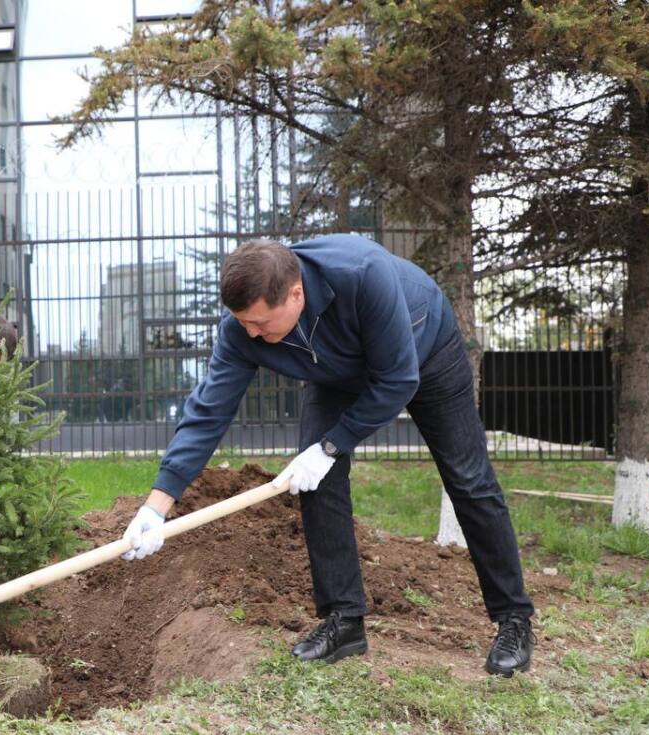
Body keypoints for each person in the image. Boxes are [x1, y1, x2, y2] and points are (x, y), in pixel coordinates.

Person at [119, 236, 536, 676]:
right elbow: (208, 413)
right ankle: (344, 621)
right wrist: (157, 506)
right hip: (336, 374)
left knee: (468, 479)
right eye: (243, 323)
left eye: (260, 322)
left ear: (295, 293)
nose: (252, 333)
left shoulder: (362, 275)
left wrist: (331, 446)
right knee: (317, 484)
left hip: (423, 351)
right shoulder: (241, 330)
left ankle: (513, 619)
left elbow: (396, 381)